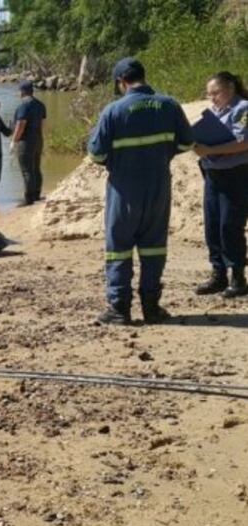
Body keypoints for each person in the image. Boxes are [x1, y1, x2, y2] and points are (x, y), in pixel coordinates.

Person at [87, 57, 194, 325]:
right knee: (154, 247)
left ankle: (119, 308)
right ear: (143, 77)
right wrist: (162, 155)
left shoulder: (113, 111)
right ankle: (151, 307)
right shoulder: (169, 105)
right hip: (158, 187)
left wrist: (117, 161)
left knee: (119, 249)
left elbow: (96, 154)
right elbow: (188, 143)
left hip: (124, 188)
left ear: (121, 82)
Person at [192, 71, 248, 298]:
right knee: (212, 225)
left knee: (230, 226)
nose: (212, 98)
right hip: (213, 174)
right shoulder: (215, 112)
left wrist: (211, 150)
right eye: (209, 94)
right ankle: (218, 274)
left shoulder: (243, 109)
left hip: (236, 174)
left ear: (231, 89)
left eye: (216, 93)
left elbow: (243, 142)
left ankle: (238, 277)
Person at [10, 80, 47, 206]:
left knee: (27, 170)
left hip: (26, 141)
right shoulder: (40, 105)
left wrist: (14, 141)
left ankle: (28, 199)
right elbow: (43, 125)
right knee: (36, 168)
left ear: (22, 91)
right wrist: (41, 139)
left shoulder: (23, 106)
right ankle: (37, 194)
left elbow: (20, 125)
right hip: (38, 139)